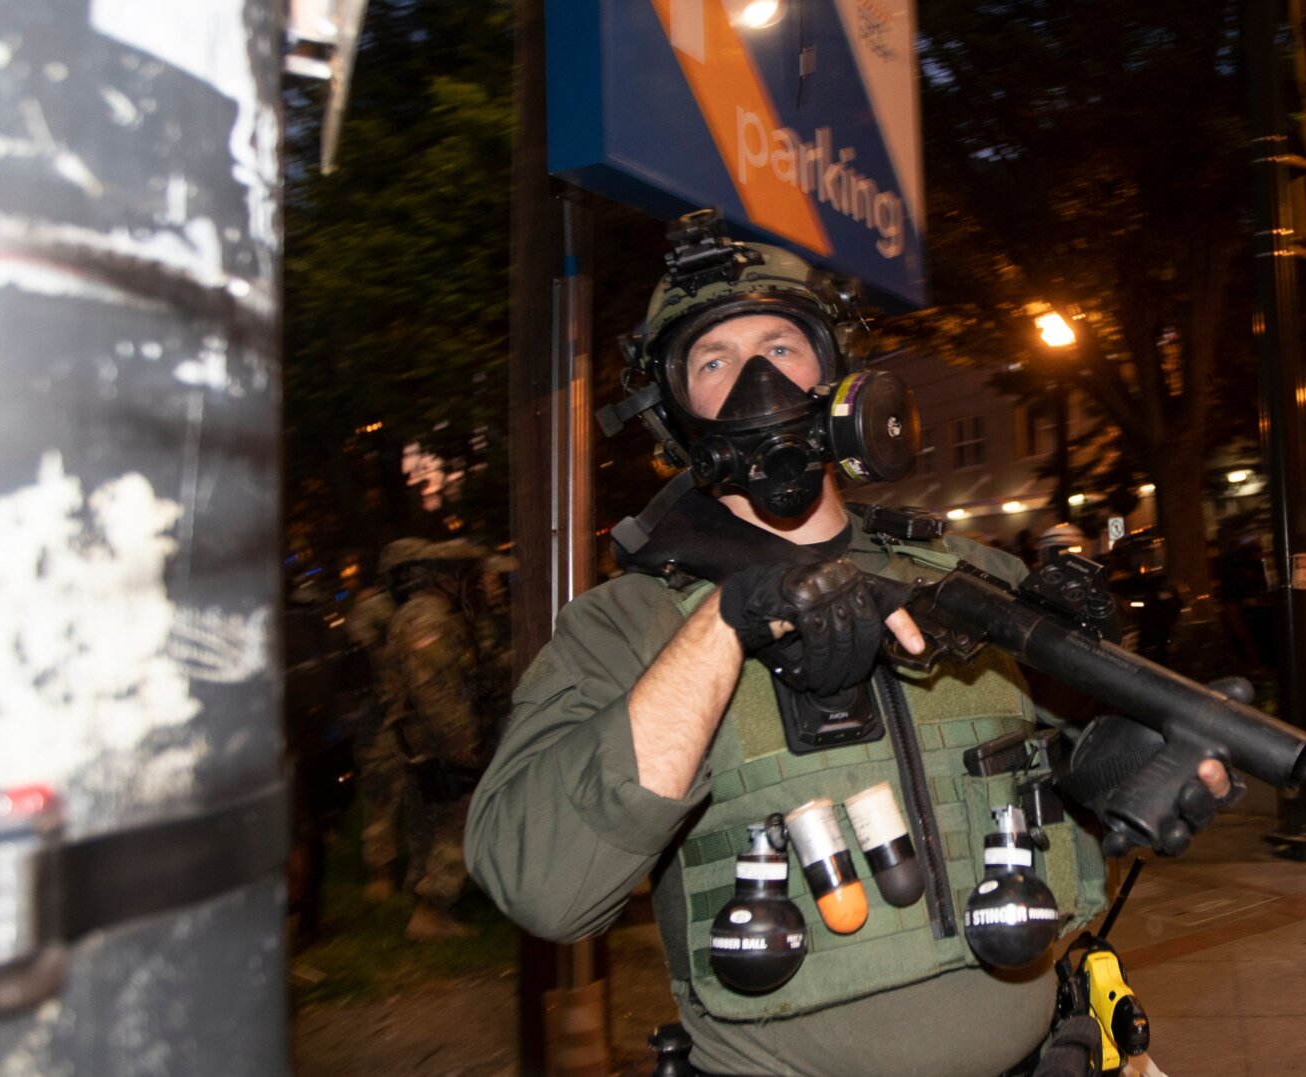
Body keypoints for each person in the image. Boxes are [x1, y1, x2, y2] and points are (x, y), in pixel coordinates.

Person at [466, 211, 1233, 1077]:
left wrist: (1108, 771)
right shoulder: (629, 623)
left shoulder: (968, 573)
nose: (756, 379)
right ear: (674, 412)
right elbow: (539, 883)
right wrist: (723, 628)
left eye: (781, 346)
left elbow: (1034, 795)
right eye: (713, 361)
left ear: (836, 376)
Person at [387, 539, 493, 940]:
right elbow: (432, 690)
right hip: (436, 740)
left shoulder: (427, 613)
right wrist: (461, 740)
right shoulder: (427, 618)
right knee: (457, 819)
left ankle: (418, 890)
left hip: (424, 740)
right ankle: (433, 908)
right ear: (447, 578)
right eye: (467, 576)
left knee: (429, 820)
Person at [345, 537, 428, 901]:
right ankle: (380, 873)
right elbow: (364, 658)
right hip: (381, 717)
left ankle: (417, 875)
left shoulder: (418, 608)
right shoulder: (374, 611)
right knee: (383, 795)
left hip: (416, 715)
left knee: (420, 797)